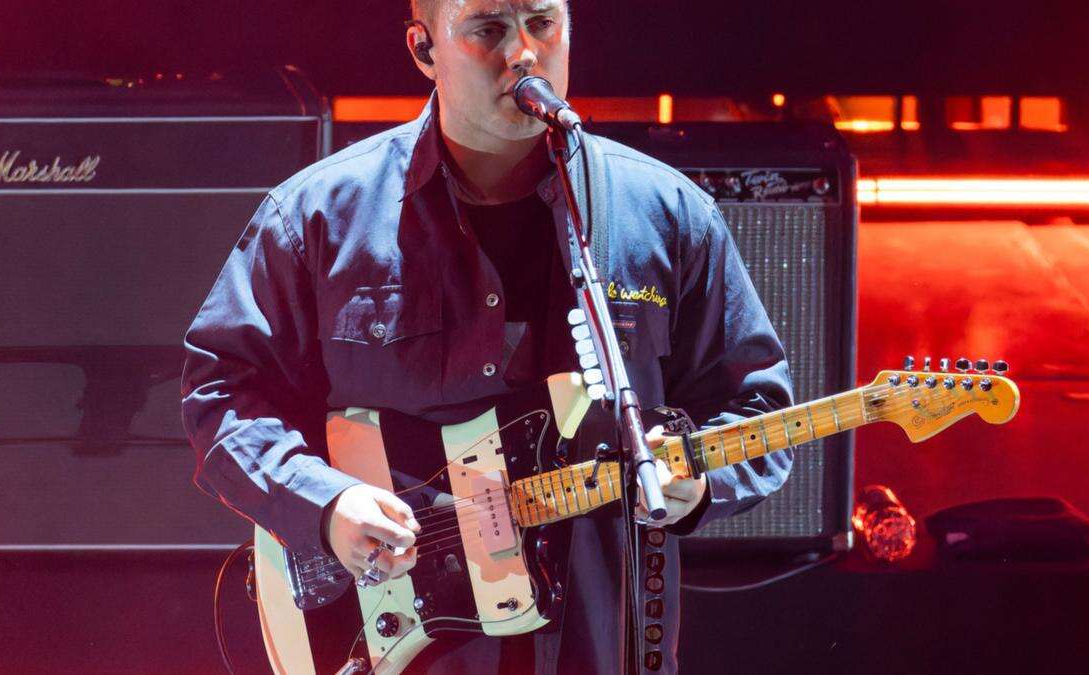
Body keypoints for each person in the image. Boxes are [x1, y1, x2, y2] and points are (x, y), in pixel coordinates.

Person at [181, 0, 793, 672]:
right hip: (396, 647)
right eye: (488, 30)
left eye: (542, 23)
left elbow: (757, 409)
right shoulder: (317, 218)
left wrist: (698, 483)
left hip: (598, 645)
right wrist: (326, 503)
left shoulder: (667, 217)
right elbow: (222, 395)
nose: (524, 52)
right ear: (423, 49)